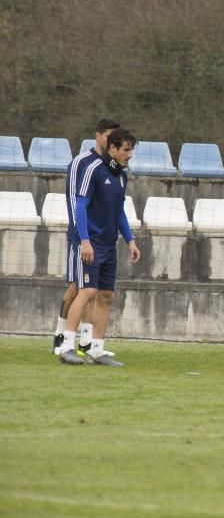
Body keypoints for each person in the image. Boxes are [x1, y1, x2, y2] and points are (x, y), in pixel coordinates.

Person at [54, 128, 141, 366]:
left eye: (131, 149)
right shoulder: (92, 170)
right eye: (126, 149)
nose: (130, 154)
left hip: (109, 245)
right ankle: (66, 346)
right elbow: (81, 206)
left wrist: (130, 239)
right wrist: (84, 240)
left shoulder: (121, 177)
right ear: (112, 148)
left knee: (106, 296)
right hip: (90, 244)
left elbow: (119, 211)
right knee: (87, 292)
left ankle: (96, 350)